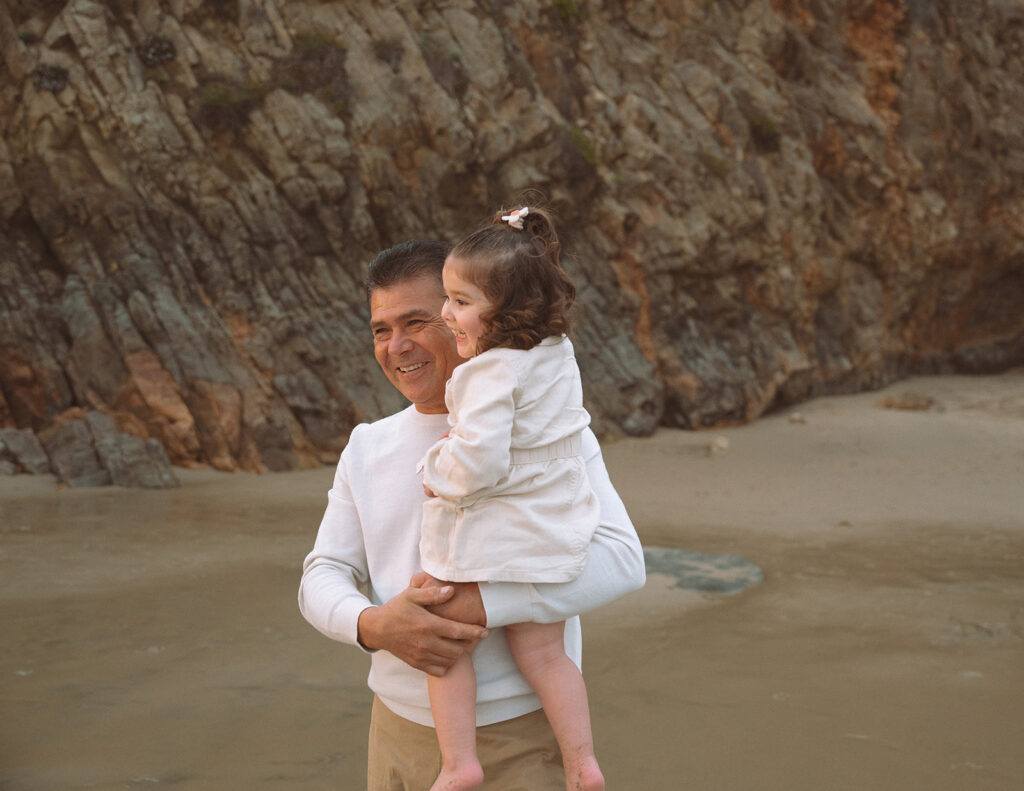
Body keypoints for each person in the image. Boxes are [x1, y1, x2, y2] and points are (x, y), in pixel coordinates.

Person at [298, 235, 645, 791]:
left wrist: (477, 605)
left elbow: (624, 561)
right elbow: (323, 573)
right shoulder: (366, 446)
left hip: (522, 738)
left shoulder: (550, 432)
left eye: (417, 321)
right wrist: (374, 626)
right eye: (381, 330)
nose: (397, 346)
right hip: (394, 731)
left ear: (476, 314)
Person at [419, 206, 604, 791]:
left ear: (507, 313)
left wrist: (434, 468)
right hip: (553, 525)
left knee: (439, 635)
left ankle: (459, 763)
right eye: (447, 297)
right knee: (547, 655)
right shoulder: (557, 354)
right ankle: (582, 764)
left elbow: (479, 464)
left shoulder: (488, 374)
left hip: (503, 531)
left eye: (461, 302)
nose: (447, 314)